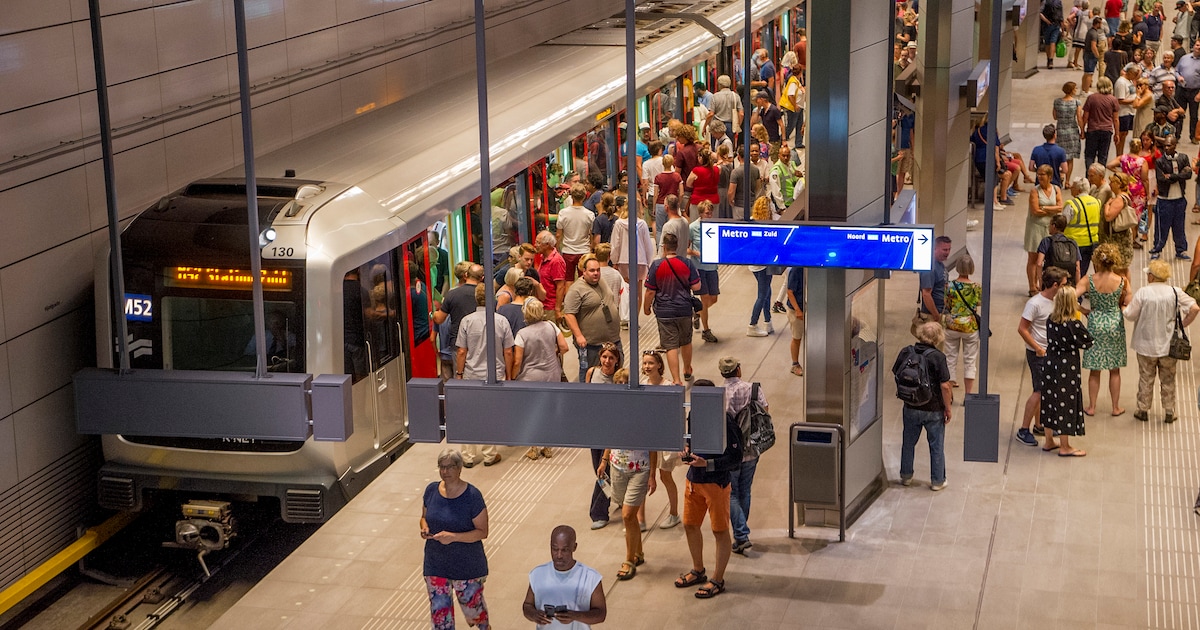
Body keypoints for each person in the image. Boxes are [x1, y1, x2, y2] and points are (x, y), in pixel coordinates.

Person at [673, 378, 742, 599]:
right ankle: (698, 570)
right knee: (690, 525)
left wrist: (708, 464)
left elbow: (736, 459)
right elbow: (691, 442)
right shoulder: (694, 416)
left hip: (717, 484)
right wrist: (686, 450)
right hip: (694, 481)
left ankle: (718, 579)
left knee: (720, 531)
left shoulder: (727, 422)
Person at [421, 449, 490, 630]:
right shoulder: (431, 490)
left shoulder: (472, 496)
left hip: (466, 566)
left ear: (459, 468)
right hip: (436, 564)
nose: (445, 472)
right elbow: (424, 517)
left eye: (450, 467)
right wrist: (424, 527)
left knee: (475, 615)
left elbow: (482, 532)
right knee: (440, 618)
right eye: (442, 467)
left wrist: (453, 538)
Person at [1125, 259, 1200, 423]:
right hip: (1169, 346)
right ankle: (1169, 411)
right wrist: (1182, 325)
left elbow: (1130, 315)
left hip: (1145, 345)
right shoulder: (1175, 292)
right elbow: (1194, 308)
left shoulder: (1143, 293)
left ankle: (1143, 410)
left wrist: (1123, 308)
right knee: (1168, 379)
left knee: (1146, 378)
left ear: (1151, 276)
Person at [455, 285, 515, 467]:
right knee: (491, 413)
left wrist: (459, 374)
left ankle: (467, 456)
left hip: (471, 374)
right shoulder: (502, 321)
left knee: (469, 414)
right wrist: (509, 375)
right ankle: (489, 455)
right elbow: (509, 352)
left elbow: (462, 351)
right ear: (493, 299)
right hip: (495, 374)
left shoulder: (466, 321)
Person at [596, 411, 657, 581]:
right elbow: (611, 439)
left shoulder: (644, 420)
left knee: (628, 515)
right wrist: (604, 461)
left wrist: (652, 475)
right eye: (620, 382)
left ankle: (629, 561)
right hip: (617, 468)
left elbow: (653, 448)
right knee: (629, 517)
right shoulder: (616, 416)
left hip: (640, 470)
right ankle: (638, 552)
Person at [718, 357, 769, 554]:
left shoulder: (720, 394)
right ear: (738, 370)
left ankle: (741, 535)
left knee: (731, 493)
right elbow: (765, 411)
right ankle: (741, 535)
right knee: (745, 490)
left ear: (722, 373)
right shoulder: (753, 389)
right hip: (752, 448)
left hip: (730, 451)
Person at [1016, 267, 1071, 447]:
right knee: (1039, 391)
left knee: (1045, 391)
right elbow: (1022, 329)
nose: (1066, 287)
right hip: (1037, 354)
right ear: (1054, 285)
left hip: (1051, 352)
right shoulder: (1035, 304)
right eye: (1063, 284)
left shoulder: (1057, 300)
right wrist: (1037, 348)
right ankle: (1024, 429)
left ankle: (1039, 425)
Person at [895, 322, 953, 491]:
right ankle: (937, 481)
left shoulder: (906, 352)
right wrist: (947, 408)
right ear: (938, 338)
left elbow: (896, 373)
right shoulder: (938, 357)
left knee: (908, 442)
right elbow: (945, 386)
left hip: (910, 405)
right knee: (936, 445)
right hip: (933, 409)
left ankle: (906, 476)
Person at [1040, 287, 1095, 457]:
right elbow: (1087, 342)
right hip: (1067, 366)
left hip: (1050, 362)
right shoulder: (1073, 324)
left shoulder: (1051, 319)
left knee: (1049, 399)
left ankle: (1049, 440)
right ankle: (1065, 446)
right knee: (1065, 402)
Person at [1076, 243, 1129, 417]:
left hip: (1095, 322)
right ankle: (1115, 407)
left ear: (1097, 260)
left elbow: (1070, 297)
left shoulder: (1089, 280)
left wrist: (1084, 311)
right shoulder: (1122, 281)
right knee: (1114, 370)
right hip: (1114, 323)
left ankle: (1091, 407)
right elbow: (1128, 303)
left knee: (1095, 370)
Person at [514, 297, 568, 460]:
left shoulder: (522, 334)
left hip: (530, 378)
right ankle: (548, 446)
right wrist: (552, 352)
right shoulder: (551, 326)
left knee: (531, 412)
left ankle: (534, 448)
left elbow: (517, 361)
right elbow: (565, 347)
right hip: (552, 374)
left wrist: (513, 376)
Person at [522, 526, 605, 629]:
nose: (559, 555)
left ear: (574, 547)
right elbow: (527, 605)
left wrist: (575, 616)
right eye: (555, 549)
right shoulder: (537, 574)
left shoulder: (591, 577)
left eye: (565, 550)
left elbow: (601, 614)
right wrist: (534, 615)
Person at [644, 232, 700, 384]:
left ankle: (676, 380)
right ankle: (687, 369)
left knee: (670, 345)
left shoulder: (657, 265)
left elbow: (650, 291)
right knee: (686, 341)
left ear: (663, 247)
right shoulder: (687, 263)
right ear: (677, 246)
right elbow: (697, 286)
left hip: (664, 312)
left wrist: (646, 307)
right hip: (684, 309)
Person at [563, 255, 621, 383]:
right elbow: (569, 314)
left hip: (613, 340)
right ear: (583, 271)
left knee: (617, 373)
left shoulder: (601, 281)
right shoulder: (575, 290)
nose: (596, 273)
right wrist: (578, 336)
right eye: (592, 270)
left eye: (598, 270)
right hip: (592, 345)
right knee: (590, 373)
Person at [584, 343, 622, 528]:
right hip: (594, 429)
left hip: (611, 429)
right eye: (605, 357)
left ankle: (599, 513)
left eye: (611, 358)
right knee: (598, 469)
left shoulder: (619, 378)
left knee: (604, 469)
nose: (607, 361)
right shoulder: (592, 372)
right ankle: (618, 494)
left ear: (617, 361)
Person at [609, 195, 654, 316]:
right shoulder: (643, 224)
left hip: (623, 260)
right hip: (640, 260)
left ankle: (625, 316)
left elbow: (615, 244)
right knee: (637, 291)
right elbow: (647, 245)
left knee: (625, 290)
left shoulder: (618, 224)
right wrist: (650, 263)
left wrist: (614, 261)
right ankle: (635, 318)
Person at [943, 254, 982, 394]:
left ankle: (949, 393)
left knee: (950, 358)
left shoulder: (950, 286)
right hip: (969, 326)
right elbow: (979, 302)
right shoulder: (976, 287)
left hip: (952, 325)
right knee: (970, 360)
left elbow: (946, 303)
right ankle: (968, 394)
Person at [1152, 136, 1192, 260]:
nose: (1166, 148)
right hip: (1165, 200)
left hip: (1179, 199)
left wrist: (1172, 176)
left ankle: (1181, 250)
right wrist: (1180, 175)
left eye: (1169, 145)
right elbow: (1161, 179)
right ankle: (1157, 249)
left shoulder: (1183, 158)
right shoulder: (1160, 161)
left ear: (1175, 145)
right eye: (1165, 146)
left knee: (1179, 226)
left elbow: (1188, 174)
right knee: (1161, 227)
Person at [1027, 165, 1065, 295]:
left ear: (1050, 176)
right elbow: (1035, 210)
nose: (1039, 177)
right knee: (1034, 257)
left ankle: (1045, 284)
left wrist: (1045, 208)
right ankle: (1033, 286)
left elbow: (1060, 207)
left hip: (1050, 228)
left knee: (1048, 256)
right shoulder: (1034, 191)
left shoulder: (1056, 189)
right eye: (1038, 174)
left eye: (1042, 174)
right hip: (1036, 227)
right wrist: (1051, 209)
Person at [687, 200, 720, 343]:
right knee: (705, 298)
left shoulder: (714, 226)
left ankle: (697, 312)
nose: (710, 214)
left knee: (713, 298)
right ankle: (706, 330)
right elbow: (686, 248)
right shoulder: (693, 227)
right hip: (699, 267)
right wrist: (696, 253)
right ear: (701, 213)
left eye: (711, 212)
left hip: (712, 267)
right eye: (707, 212)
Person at [745, 198, 776, 337]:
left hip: (753, 264)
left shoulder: (751, 220)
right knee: (762, 295)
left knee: (767, 291)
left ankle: (768, 321)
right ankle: (752, 324)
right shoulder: (768, 225)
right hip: (763, 265)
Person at [1064, 177, 1103, 275]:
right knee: (1083, 270)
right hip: (1092, 242)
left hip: (1075, 243)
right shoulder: (1096, 202)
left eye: (1072, 187)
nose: (1070, 189)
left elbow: (1063, 223)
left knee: (1074, 272)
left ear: (1078, 190)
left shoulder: (1072, 204)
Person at [557, 184, 596, 283]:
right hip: (584, 251)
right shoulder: (589, 215)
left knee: (568, 280)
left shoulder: (563, 213)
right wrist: (591, 248)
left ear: (571, 196)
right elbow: (592, 235)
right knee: (584, 279)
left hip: (568, 251)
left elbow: (558, 235)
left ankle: (569, 298)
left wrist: (557, 249)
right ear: (584, 196)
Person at [913, 235, 952, 335]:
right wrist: (936, 316)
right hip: (932, 316)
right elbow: (926, 294)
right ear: (934, 248)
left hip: (940, 312)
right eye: (944, 249)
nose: (947, 252)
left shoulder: (940, 264)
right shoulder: (929, 268)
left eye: (949, 249)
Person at [1083, 77, 1121, 168]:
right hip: (1106, 131)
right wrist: (1117, 134)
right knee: (1102, 156)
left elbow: (1085, 116)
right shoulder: (1113, 99)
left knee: (1089, 155)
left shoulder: (1091, 98)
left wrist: (1082, 129)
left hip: (1092, 130)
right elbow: (1115, 119)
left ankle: (1089, 177)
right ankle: (1100, 178)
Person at [1037, 214, 1083, 285]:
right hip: (1068, 284)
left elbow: (1039, 264)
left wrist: (1040, 283)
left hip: (1050, 283)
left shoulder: (1046, 241)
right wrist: (1077, 288)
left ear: (1054, 226)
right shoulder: (1073, 243)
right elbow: (1077, 268)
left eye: (1050, 224)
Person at [1053, 85, 1084, 184]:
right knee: (1070, 158)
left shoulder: (1057, 102)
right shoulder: (1076, 102)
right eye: (1075, 88)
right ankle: (1067, 181)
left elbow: (1055, 117)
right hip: (1072, 131)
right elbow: (1079, 117)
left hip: (1061, 130)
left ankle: (1059, 176)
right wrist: (1082, 130)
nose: (1076, 90)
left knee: (1060, 156)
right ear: (1071, 90)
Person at [785, 265, 805, 377]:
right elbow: (790, 292)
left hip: (807, 307)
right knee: (797, 337)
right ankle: (795, 364)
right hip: (796, 310)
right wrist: (798, 310)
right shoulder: (796, 270)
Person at [1042, 0, 1066, 69]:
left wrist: (1046, 21)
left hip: (1047, 25)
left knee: (1047, 42)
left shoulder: (1045, 1)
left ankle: (1048, 59)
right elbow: (1061, 16)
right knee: (1053, 42)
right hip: (1056, 24)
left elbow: (1040, 13)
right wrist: (1063, 30)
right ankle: (1051, 60)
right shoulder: (1059, 2)